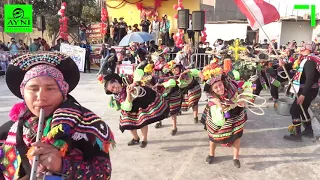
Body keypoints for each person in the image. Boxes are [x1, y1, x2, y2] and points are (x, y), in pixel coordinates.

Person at [0, 52, 115, 179]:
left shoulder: (89, 127)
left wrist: (63, 166)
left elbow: (104, 173)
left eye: (50, 88)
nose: (41, 97)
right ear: (23, 93)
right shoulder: (7, 131)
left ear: (63, 91)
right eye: (33, 89)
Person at [103, 70, 169, 148]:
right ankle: (135, 138)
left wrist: (134, 83)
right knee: (130, 124)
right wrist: (128, 94)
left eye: (113, 86)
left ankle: (144, 139)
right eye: (112, 90)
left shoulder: (126, 79)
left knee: (143, 122)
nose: (115, 89)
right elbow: (127, 106)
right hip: (130, 108)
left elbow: (139, 71)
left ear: (116, 81)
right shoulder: (118, 96)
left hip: (140, 103)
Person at [200, 66, 247, 168]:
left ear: (223, 83)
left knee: (236, 136)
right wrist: (218, 104)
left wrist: (242, 99)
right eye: (215, 87)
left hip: (235, 112)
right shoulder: (211, 95)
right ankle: (211, 154)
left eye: (220, 85)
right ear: (212, 90)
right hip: (217, 114)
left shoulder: (232, 85)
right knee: (213, 135)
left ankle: (236, 157)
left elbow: (242, 92)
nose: (219, 88)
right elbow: (214, 101)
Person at [280, 42, 320, 141]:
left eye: (303, 47)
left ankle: (297, 134)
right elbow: (293, 66)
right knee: (303, 109)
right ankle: (308, 130)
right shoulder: (303, 59)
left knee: (294, 110)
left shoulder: (310, 61)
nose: (301, 48)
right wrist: (284, 64)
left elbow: (310, 79)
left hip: (308, 91)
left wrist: (303, 95)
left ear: (308, 49)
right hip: (305, 90)